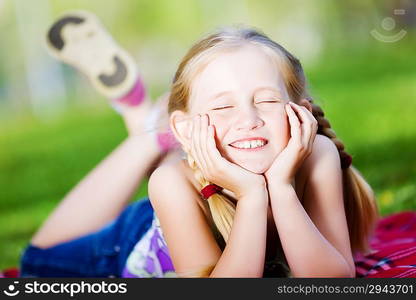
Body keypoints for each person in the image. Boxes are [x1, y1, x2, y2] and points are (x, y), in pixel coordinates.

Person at [20, 11, 379, 278]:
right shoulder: (170, 183)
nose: (248, 119)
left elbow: (332, 283)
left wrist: (281, 189)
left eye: (267, 100)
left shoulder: (316, 155)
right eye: (223, 106)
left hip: (201, 167)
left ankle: (152, 125)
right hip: (135, 237)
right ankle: (151, 135)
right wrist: (254, 196)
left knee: (220, 141)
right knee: (35, 263)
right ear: (188, 128)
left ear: (299, 113)